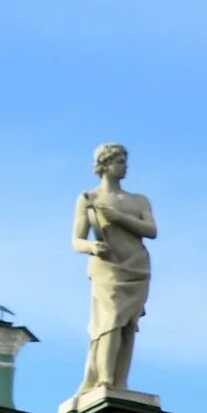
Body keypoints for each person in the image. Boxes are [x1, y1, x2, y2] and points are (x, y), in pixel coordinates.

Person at [71, 142, 156, 398]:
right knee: (109, 321)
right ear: (105, 165)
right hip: (107, 266)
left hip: (136, 265)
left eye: (124, 160)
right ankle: (103, 380)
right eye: (119, 161)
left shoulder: (138, 200)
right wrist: (93, 247)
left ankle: (120, 382)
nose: (125, 166)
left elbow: (151, 230)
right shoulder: (89, 199)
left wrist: (118, 217)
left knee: (128, 324)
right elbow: (76, 240)